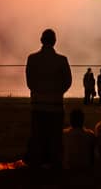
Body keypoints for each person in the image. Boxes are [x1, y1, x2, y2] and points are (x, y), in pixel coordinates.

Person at [25, 28, 72, 168]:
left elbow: (30, 81)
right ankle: (54, 161)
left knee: (38, 135)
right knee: (55, 137)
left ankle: (37, 161)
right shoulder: (62, 60)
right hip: (56, 105)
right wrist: (58, 92)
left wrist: (39, 92)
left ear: (41, 40)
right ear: (55, 42)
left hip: (37, 105)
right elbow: (68, 81)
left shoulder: (32, 58)